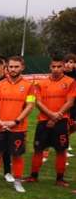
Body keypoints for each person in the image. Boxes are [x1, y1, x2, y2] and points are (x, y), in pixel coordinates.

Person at [0, 56, 36, 193]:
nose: (13, 69)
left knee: (17, 155)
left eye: (16, 66)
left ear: (22, 67)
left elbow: (30, 105)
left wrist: (15, 121)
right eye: (11, 66)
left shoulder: (29, 85)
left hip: (18, 127)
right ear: (7, 68)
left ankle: (17, 182)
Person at [24, 56, 75, 186]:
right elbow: (38, 102)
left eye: (59, 66)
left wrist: (57, 116)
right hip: (43, 121)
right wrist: (52, 115)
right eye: (53, 66)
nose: (56, 69)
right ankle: (33, 176)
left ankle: (60, 179)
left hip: (61, 121)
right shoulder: (40, 83)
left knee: (61, 150)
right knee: (38, 149)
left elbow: (70, 102)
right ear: (50, 67)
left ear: (63, 67)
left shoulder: (71, 82)